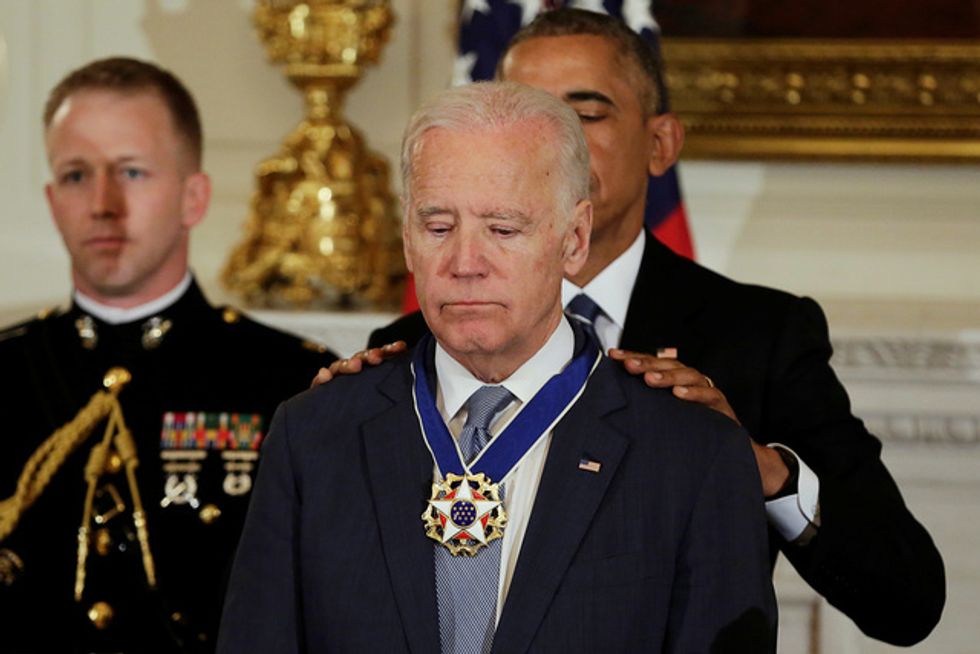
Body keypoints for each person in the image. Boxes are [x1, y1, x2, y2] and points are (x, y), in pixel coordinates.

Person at [350, 8, 945, 647]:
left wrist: (757, 468)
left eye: (586, 113)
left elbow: (906, 599)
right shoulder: (418, 338)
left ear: (660, 144)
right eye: (529, 115)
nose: (555, 143)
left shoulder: (758, 336)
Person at [217, 81, 776, 653]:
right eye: (438, 227)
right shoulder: (315, 434)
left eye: (503, 230)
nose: (464, 263)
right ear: (408, 239)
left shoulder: (692, 451)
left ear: (574, 239)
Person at [0, 57, 337, 653]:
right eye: (77, 175)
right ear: (53, 202)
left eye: (132, 172)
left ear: (193, 197)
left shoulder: (291, 381)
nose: (103, 203)